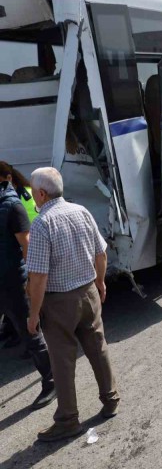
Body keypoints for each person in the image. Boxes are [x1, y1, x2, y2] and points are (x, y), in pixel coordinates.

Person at [26, 167, 120, 442]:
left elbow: (39, 277)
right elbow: (100, 253)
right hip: (88, 292)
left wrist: (33, 315)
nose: (33, 195)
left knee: (63, 362)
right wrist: (100, 283)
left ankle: (68, 420)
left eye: (33, 190)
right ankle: (111, 399)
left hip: (59, 303)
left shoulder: (42, 224)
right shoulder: (81, 211)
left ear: (42, 193)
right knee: (97, 348)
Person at [0, 165, 55, 410]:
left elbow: (27, 247)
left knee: (30, 332)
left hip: (13, 280)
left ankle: (52, 381)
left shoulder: (13, 206)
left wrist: (31, 282)